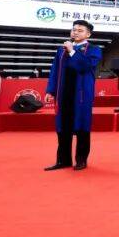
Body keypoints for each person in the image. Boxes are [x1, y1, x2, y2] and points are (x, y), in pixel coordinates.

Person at [44, 20, 102, 171]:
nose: (75, 32)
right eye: (74, 29)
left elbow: (85, 67)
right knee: (63, 127)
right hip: (63, 93)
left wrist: (72, 51)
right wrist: (50, 91)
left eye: (80, 30)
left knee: (82, 126)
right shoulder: (61, 50)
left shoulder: (94, 50)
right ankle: (63, 160)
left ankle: (81, 160)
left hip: (81, 95)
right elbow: (55, 70)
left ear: (88, 34)